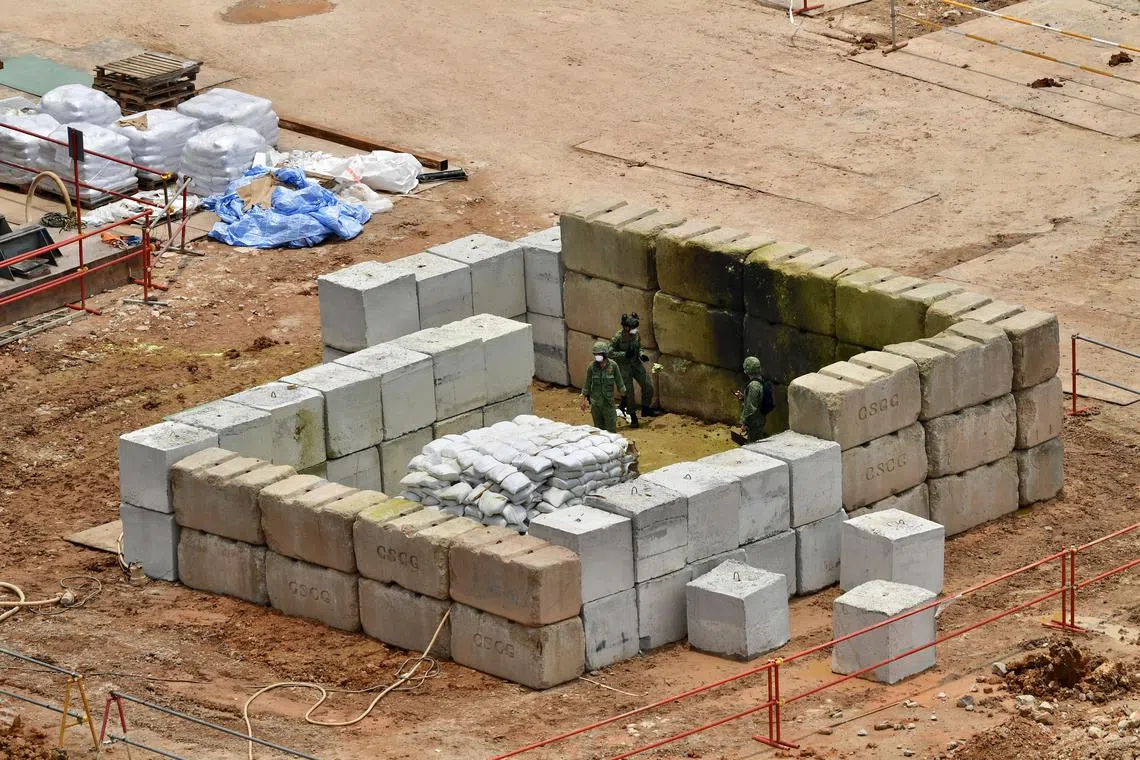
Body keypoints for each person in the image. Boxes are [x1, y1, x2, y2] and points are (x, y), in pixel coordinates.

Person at [610, 312, 659, 429]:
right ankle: (633, 416)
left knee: (648, 386)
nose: (635, 330)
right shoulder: (618, 338)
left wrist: (642, 354)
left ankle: (646, 408)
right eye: (633, 328)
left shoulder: (636, 335)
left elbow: (639, 347)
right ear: (626, 327)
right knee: (629, 393)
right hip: (624, 367)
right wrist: (624, 354)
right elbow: (610, 353)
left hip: (636, 365)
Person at [579, 341, 627, 433]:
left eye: (599, 354)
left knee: (611, 431)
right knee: (599, 431)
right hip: (596, 405)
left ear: (605, 354)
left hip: (608, 405)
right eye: (595, 354)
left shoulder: (613, 366)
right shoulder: (591, 367)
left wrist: (624, 398)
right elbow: (587, 385)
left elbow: (620, 383)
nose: (597, 356)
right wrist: (583, 400)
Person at [734, 356, 774, 444]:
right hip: (760, 418)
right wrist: (744, 397)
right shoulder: (761, 380)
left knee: (753, 444)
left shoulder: (753, 385)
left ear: (747, 370)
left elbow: (750, 408)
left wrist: (744, 423)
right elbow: (757, 398)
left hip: (755, 422)